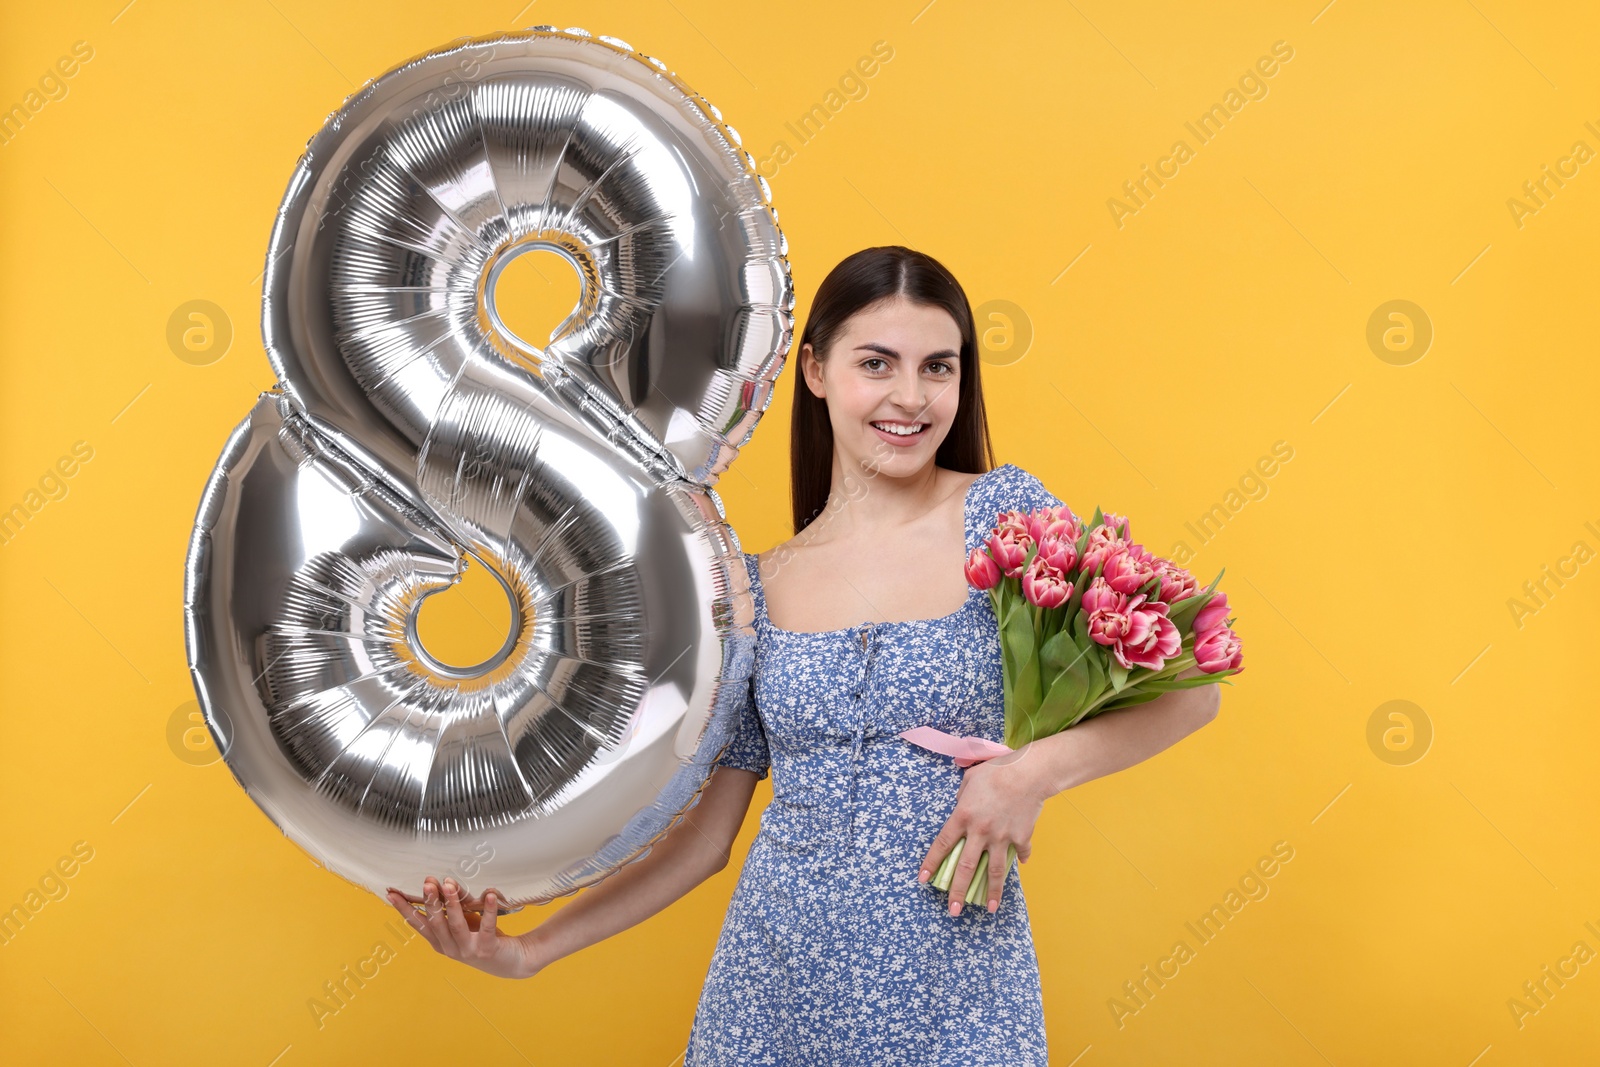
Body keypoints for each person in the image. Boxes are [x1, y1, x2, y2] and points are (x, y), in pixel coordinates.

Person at [386, 245, 1221, 1064]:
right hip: (771, 993)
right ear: (816, 371)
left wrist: (1026, 774)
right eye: (877, 363)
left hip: (958, 989)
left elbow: (1191, 692)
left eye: (939, 367)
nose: (911, 396)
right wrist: (529, 950)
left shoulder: (1005, 516)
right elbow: (708, 839)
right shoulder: (758, 585)